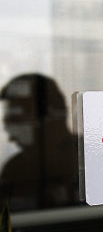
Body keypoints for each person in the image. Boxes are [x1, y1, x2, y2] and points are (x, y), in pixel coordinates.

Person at [0, 74, 77, 210]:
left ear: (53, 115)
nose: (9, 129)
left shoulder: (93, 158)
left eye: (17, 115)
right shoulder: (15, 170)